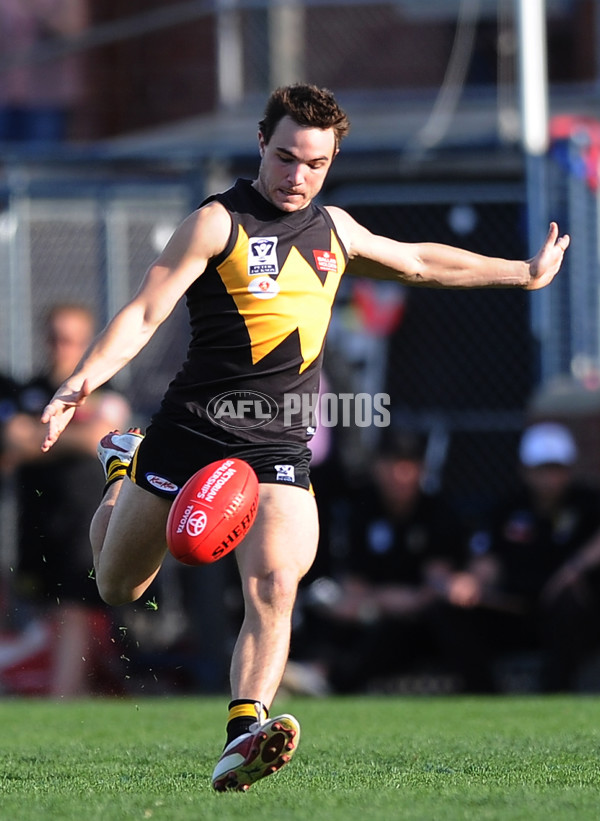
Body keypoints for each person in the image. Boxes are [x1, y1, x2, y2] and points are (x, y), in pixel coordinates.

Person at [38, 84, 569, 791]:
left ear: (332, 160)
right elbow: (143, 313)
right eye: (285, 157)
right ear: (262, 144)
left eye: (313, 164)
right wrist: (81, 382)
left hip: (277, 446)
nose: (297, 176)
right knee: (118, 585)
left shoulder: (336, 231)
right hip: (189, 431)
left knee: (275, 583)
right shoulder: (215, 223)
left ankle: (244, 730)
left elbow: (417, 261)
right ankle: (122, 468)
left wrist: (523, 273)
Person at [284, 430, 469, 695]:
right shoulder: (362, 510)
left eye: (408, 466)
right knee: (327, 610)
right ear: (378, 467)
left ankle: (330, 683)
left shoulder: (438, 513)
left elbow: (433, 588)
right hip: (371, 608)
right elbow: (353, 586)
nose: (400, 475)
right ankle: (309, 670)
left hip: (418, 620)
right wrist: (381, 601)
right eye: (393, 465)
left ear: (421, 469)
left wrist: (386, 601)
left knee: (398, 630)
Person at [446, 422, 600, 692]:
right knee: (452, 609)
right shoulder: (507, 509)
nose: (550, 478)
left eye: (556, 469)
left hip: (571, 617)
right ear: (525, 470)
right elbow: (488, 559)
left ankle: (555, 697)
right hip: (515, 610)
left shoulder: (588, 504)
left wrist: (573, 568)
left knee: (570, 608)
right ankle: (484, 699)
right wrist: (471, 581)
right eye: (542, 469)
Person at [0, 0, 88, 144]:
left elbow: (75, 35)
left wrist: (38, 8)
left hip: (45, 101)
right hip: (4, 97)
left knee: (41, 161)